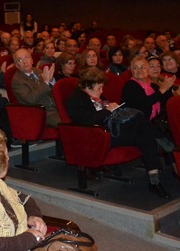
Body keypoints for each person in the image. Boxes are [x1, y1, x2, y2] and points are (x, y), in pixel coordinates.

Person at [66, 67, 170, 198]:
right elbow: (86, 120)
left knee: (144, 136)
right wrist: (107, 110)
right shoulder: (76, 99)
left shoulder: (96, 96)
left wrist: (113, 107)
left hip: (112, 130)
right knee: (139, 119)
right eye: (99, 88)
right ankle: (161, 138)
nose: (102, 91)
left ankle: (154, 181)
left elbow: (106, 110)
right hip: (98, 136)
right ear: (88, 86)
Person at [11, 48, 60, 128]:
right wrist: (45, 82)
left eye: (26, 58)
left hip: (55, 106)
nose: (24, 62)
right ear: (17, 65)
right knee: (65, 123)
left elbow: (50, 89)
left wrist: (51, 81)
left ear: (32, 60)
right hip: (42, 112)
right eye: (20, 60)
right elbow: (30, 99)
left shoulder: (37, 71)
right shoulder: (17, 81)